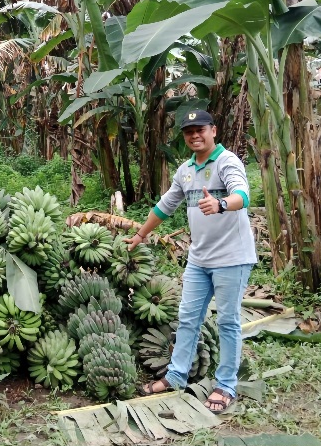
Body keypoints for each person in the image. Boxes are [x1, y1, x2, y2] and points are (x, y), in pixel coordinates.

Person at [124, 110, 256, 414]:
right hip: (199, 259)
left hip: (231, 259)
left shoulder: (227, 161)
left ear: (213, 130)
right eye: (188, 132)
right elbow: (165, 206)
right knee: (188, 318)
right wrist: (140, 235)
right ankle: (176, 376)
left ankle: (225, 385)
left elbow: (243, 195)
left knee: (228, 321)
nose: (195, 136)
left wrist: (221, 203)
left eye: (200, 130)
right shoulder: (184, 170)